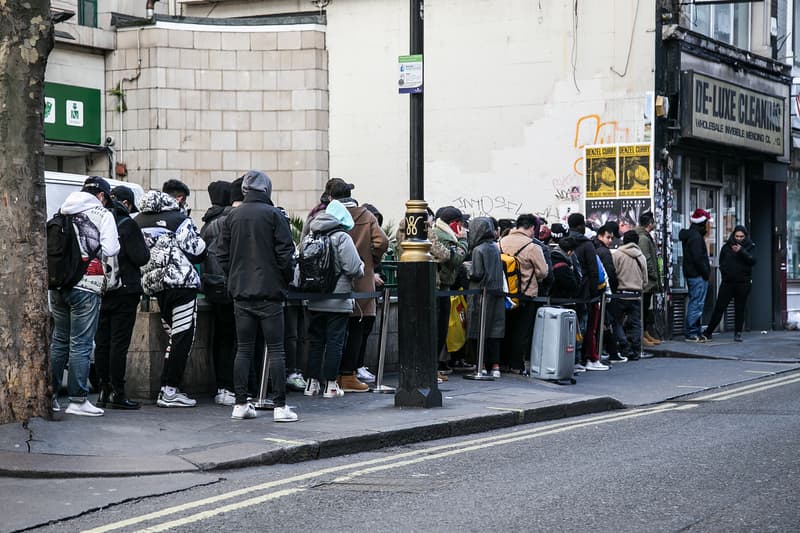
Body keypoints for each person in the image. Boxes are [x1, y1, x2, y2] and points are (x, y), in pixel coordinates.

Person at [217, 170, 298, 422]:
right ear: (267, 189)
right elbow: (286, 254)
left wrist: (234, 276)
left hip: (241, 292)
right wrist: (283, 278)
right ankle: (280, 406)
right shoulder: (274, 215)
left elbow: (221, 254)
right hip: (270, 292)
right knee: (276, 350)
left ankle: (240, 403)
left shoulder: (231, 216)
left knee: (243, 349)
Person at [50, 176, 120, 416]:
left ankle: (49, 396)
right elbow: (111, 249)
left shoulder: (62, 212)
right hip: (86, 286)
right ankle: (78, 400)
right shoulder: (103, 215)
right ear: (101, 196)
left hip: (58, 286)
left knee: (59, 341)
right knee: (80, 342)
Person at [137, 182, 207, 407]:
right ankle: (169, 390)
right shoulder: (179, 220)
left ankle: (168, 388)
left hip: (156, 286)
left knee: (173, 336)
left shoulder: (138, 220)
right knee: (182, 337)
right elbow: (198, 250)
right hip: (181, 283)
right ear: (178, 199)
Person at [328, 180, 389, 392]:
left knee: (333, 331)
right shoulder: (365, 215)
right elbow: (382, 242)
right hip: (362, 280)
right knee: (357, 329)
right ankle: (348, 375)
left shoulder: (327, 214)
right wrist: (372, 259)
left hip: (332, 281)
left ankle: (328, 377)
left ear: (330, 197)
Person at [94, 185, 150, 410]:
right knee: (119, 343)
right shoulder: (127, 224)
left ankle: (102, 391)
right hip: (125, 290)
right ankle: (118, 391)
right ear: (126, 204)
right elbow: (142, 257)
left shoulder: (97, 221)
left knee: (102, 343)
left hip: (100, 289)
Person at [303, 200, 365, 399]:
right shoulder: (341, 237)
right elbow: (353, 268)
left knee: (315, 342)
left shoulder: (309, 237)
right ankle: (330, 385)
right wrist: (362, 267)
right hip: (338, 300)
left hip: (314, 299)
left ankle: (311, 384)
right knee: (335, 342)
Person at [199, 181, 237, 406]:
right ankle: (229, 386)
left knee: (220, 338)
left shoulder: (207, 222)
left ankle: (221, 387)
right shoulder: (228, 221)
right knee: (232, 339)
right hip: (230, 286)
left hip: (212, 286)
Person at [498, 214, 549, 373]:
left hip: (505, 294)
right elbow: (543, 272)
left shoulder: (500, 242)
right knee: (521, 331)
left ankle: (502, 362)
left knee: (506, 328)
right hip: (526, 294)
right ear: (533, 228)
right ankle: (516, 365)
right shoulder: (532, 246)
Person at [431, 206, 469, 376]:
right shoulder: (444, 236)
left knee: (441, 328)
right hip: (441, 286)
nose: (463, 227)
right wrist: (464, 241)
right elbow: (456, 259)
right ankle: (434, 367)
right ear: (454, 224)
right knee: (439, 329)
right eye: (460, 223)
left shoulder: (441, 233)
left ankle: (435, 367)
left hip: (444, 286)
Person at [567, 213, 607, 371]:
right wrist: (594, 292)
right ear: (580, 226)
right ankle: (583, 358)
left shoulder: (564, 241)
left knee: (571, 326)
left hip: (569, 291)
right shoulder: (586, 244)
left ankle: (573, 359)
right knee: (585, 326)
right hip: (585, 293)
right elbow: (593, 270)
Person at [702, 226, 756, 342]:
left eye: (741, 237)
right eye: (737, 236)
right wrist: (725, 274)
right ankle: (708, 332)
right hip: (728, 282)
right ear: (733, 236)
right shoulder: (727, 247)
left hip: (743, 283)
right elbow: (722, 262)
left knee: (740, 308)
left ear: (745, 237)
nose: (739, 239)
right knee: (719, 307)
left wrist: (741, 251)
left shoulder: (750, 246)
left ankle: (738, 333)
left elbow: (752, 260)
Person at [466, 217, 505, 377]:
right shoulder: (495, 248)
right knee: (494, 330)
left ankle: (480, 365)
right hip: (496, 293)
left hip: (480, 294)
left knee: (478, 329)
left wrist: (466, 270)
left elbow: (477, 273)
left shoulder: (478, 250)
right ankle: (495, 366)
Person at [610, 230, 648, 361]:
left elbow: (613, 273)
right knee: (635, 323)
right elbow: (645, 279)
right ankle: (636, 350)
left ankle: (624, 345)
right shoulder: (640, 256)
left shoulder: (617, 254)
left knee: (616, 321)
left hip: (620, 294)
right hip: (636, 294)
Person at [679, 209, 711, 341]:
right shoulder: (696, 238)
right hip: (697, 274)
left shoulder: (691, 236)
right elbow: (698, 258)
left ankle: (695, 330)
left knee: (696, 302)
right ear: (702, 223)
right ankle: (692, 331)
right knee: (697, 303)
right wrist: (705, 272)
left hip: (692, 273)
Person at [635, 212, 662, 345]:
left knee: (645, 309)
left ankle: (645, 333)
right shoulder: (643, 238)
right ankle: (642, 335)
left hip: (647, 280)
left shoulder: (644, 236)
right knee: (643, 308)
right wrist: (653, 275)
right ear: (650, 223)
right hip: (646, 280)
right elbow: (647, 258)